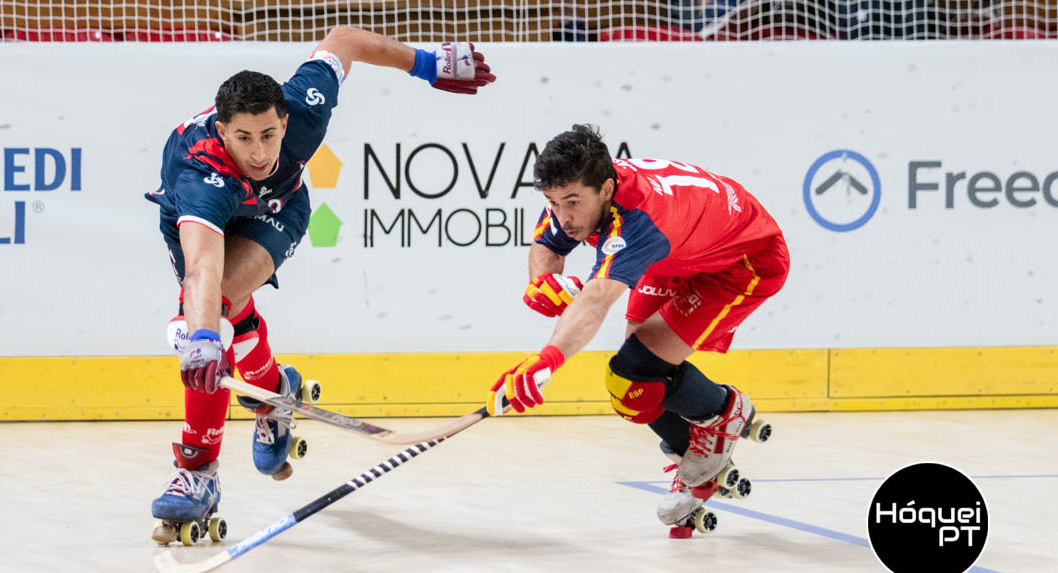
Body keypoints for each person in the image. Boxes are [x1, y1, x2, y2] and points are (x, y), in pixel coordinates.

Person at [145, 27, 495, 545]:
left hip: (276, 212)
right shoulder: (200, 173)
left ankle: (198, 468)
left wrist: (427, 63)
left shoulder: (304, 110)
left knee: (217, 308)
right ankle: (272, 398)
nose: (260, 151)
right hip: (201, 219)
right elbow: (201, 267)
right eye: (243, 138)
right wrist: (199, 341)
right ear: (222, 131)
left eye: (269, 134)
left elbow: (344, 39)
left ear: (284, 119)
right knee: (211, 318)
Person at [490, 124, 788, 537]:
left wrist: (548, 360)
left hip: (742, 259)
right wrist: (541, 281)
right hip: (678, 254)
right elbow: (548, 245)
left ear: (607, 189)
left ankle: (722, 413)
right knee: (632, 386)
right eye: (553, 202)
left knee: (634, 372)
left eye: (571, 203)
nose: (564, 216)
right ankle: (697, 456)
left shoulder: (638, 223)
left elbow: (596, 299)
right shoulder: (579, 192)